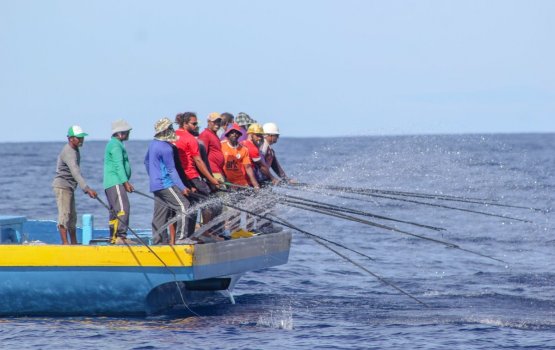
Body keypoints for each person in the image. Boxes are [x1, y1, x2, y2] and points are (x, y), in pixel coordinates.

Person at [174, 112, 223, 239]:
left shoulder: (174, 135)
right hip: (191, 175)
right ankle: (203, 231)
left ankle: (189, 235)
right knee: (208, 201)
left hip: (180, 177)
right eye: (194, 123)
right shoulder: (190, 139)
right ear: (185, 124)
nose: (196, 126)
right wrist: (212, 179)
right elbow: (199, 161)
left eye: (197, 123)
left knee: (192, 205)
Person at [144, 118, 192, 245]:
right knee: (183, 206)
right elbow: (171, 170)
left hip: (155, 185)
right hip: (165, 183)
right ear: (166, 130)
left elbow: (146, 162)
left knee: (160, 214)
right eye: (171, 128)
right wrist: (182, 187)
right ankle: (181, 238)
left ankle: (158, 241)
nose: (173, 130)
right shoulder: (166, 148)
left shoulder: (153, 144)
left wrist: (153, 177)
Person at [52, 125, 98, 245]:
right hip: (62, 186)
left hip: (70, 187)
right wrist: (86, 188)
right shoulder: (68, 152)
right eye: (79, 138)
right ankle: (65, 244)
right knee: (64, 215)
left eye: (82, 138)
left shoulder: (75, 150)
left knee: (72, 216)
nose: (81, 140)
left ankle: (73, 242)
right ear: (71, 138)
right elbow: (75, 172)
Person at [103, 119, 134, 245]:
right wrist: (125, 182)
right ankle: (121, 236)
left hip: (113, 183)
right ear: (120, 133)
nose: (128, 134)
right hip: (115, 182)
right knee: (122, 208)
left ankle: (113, 237)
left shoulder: (115, 144)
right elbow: (118, 165)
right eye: (127, 132)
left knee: (115, 210)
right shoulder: (115, 145)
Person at [221, 124, 260, 188]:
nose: (234, 134)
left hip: (241, 183)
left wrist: (255, 185)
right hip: (226, 182)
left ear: (239, 135)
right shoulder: (221, 146)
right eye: (232, 132)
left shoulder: (244, 149)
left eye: (236, 132)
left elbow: (248, 168)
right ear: (228, 134)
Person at [199, 112, 226, 185]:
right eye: (214, 122)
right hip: (213, 171)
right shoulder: (205, 134)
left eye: (219, 121)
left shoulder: (214, 134)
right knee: (222, 194)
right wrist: (209, 176)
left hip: (219, 170)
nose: (217, 124)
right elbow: (202, 156)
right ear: (208, 122)